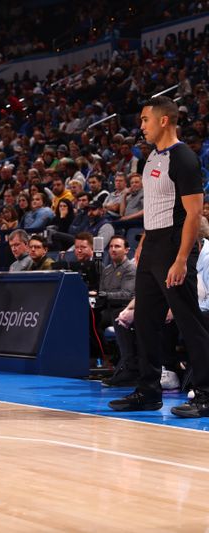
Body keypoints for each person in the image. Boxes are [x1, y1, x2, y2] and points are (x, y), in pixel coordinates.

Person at [109, 96, 209, 417]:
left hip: (174, 246)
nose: (141, 126)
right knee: (146, 322)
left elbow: (193, 215)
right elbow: (154, 206)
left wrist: (181, 259)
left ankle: (206, 393)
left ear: (163, 120)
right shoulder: (151, 157)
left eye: (144, 120)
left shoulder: (185, 159)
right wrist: (143, 242)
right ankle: (148, 390)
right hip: (152, 243)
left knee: (189, 321)